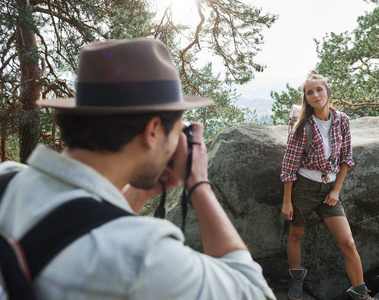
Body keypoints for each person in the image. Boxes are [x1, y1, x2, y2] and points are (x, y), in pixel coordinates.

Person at [0, 38, 275, 300]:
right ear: (153, 130)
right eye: (177, 130)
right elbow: (253, 291)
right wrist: (198, 183)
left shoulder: (7, 179)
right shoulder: (143, 253)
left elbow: (74, 223)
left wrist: (137, 192)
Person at [280, 70, 379, 300]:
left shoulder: (342, 120)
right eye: (309, 92)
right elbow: (289, 165)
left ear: (328, 92)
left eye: (319, 90)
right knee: (296, 236)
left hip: (329, 192)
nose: (315, 95)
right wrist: (287, 201)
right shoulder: (303, 126)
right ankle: (296, 280)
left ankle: (361, 294)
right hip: (304, 190)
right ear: (305, 99)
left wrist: (336, 190)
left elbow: (346, 158)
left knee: (348, 241)